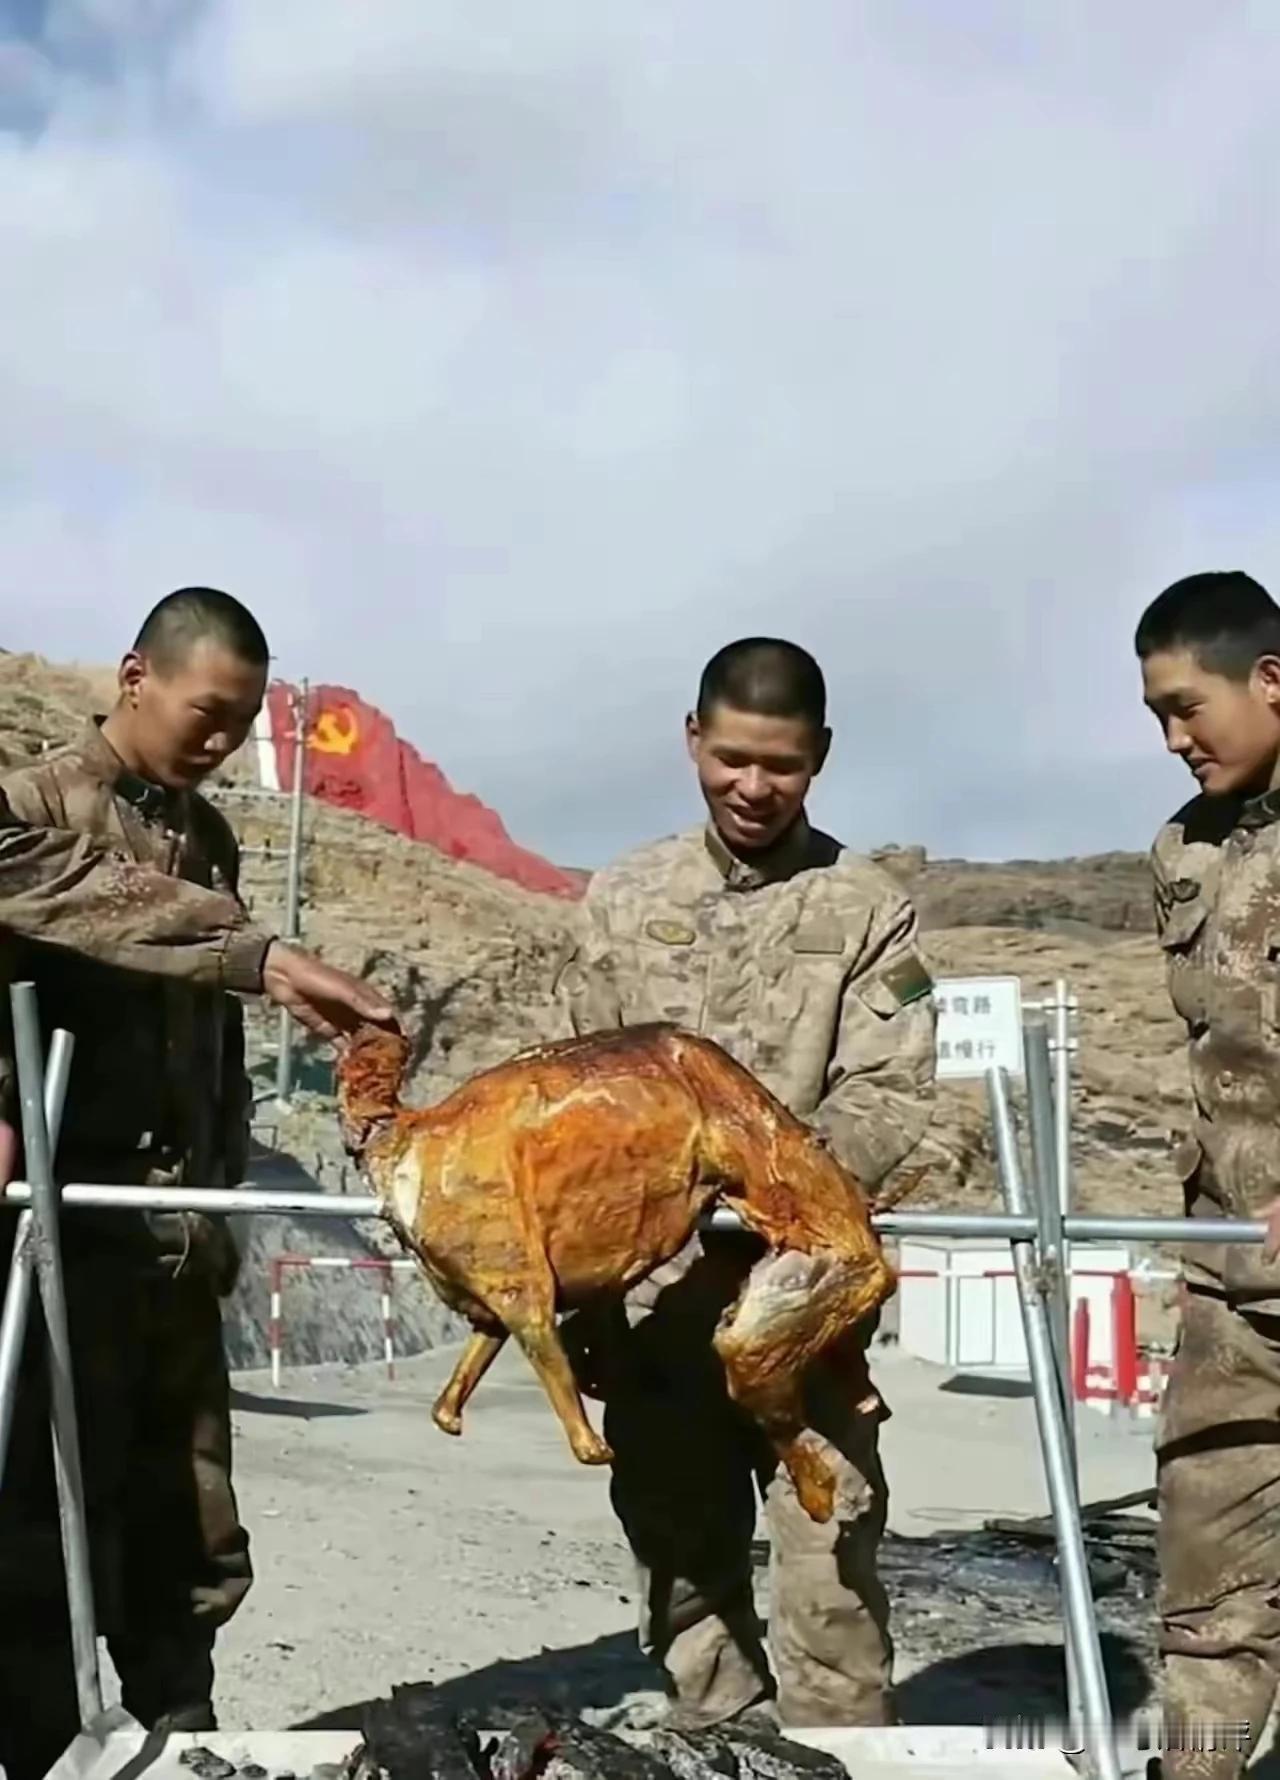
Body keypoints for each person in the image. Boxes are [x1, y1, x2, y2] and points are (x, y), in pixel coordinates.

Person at [0, 587, 393, 1780]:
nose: (218, 741)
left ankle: (181, 1726)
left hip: (181, 1228)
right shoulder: (28, 804)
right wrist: (256, 951)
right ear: (134, 676)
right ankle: (43, 1745)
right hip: (63, 1233)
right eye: (204, 713)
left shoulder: (208, 838)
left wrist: (222, 1187)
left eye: (237, 724)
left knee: (188, 1508)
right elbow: (42, 887)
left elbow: (209, 1049)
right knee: (43, 1513)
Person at [555, 637, 937, 1732]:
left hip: (806, 1305)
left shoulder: (867, 908)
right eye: (729, 759)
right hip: (654, 1302)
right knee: (681, 1560)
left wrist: (760, 1176)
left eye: (780, 764)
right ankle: (716, 1738)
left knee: (830, 1568)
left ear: (817, 755)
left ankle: (834, 1751)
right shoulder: (622, 900)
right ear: (690, 741)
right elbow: (576, 1091)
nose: (752, 787)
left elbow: (898, 1095)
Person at [1138, 570, 1280, 1780]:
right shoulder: (1182, 850)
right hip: (1228, 1283)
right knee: (1207, 1591)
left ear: (1269, 679)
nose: (1175, 739)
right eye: (1155, 719)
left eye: (1188, 707)